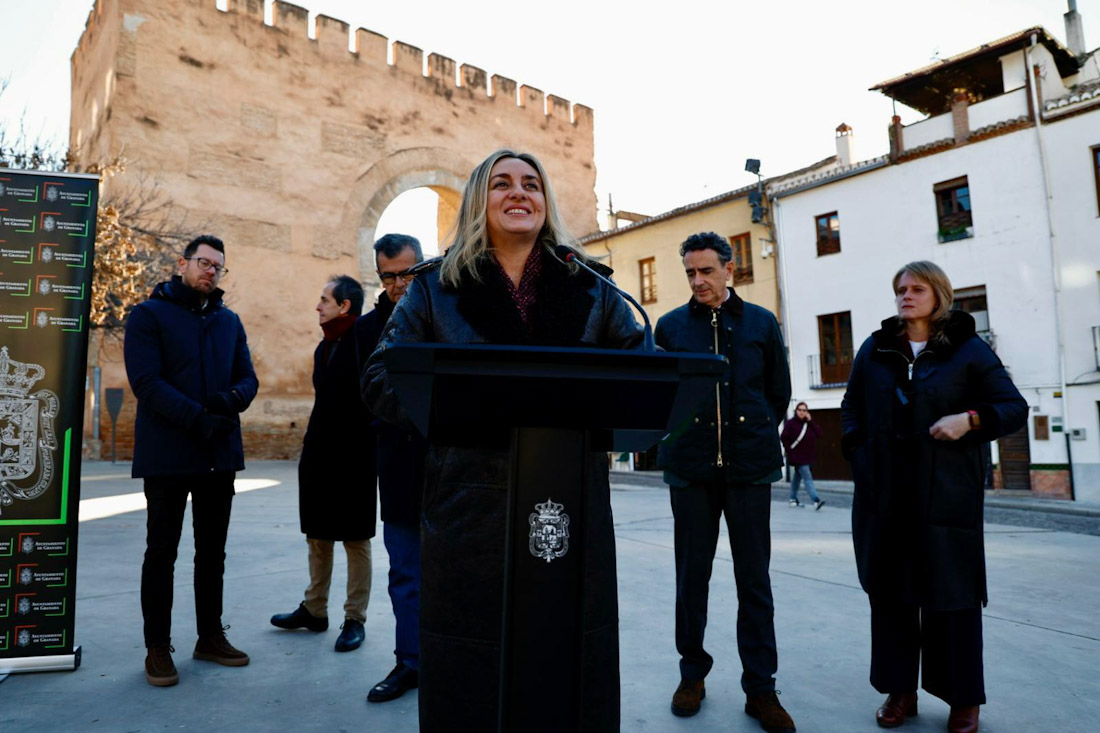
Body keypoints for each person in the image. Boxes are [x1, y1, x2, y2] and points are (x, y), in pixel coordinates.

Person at [363, 149, 643, 731]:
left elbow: (644, 370)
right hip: (470, 508)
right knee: (472, 665)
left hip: (568, 506)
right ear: (478, 202)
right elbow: (379, 376)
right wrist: (458, 406)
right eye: (502, 184)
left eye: (532, 184)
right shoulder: (435, 289)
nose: (519, 194)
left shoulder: (591, 287)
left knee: (564, 659)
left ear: (546, 202)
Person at [841, 261, 1026, 733]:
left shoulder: (967, 349)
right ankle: (899, 691)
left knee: (953, 598)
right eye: (900, 289)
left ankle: (964, 699)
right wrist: (861, 459)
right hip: (885, 499)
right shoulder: (876, 348)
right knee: (891, 598)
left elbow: (1013, 407)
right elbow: (851, 409)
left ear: (938, 294)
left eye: (916, 288)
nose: (905, 295)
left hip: (946, 499)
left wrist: (971, 419)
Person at [654, 231, 795, 732]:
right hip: (690, 472)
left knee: (754, 581)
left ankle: (761, 689)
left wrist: (752, 436)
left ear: (729, 270)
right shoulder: (669, 328)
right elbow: (661, 398)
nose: (698, 281)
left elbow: (778, 392)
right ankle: (692, 673)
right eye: (690, 272)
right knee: (692, 579)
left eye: (707, 270)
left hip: (750, 471)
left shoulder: (761, 323)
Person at [124, 234, 258, 687]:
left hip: (218, 455)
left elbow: (248, 378)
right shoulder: (147, 316)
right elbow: (146, 382)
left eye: (218, 266)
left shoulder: (229, 321)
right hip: (167, 455)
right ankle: (157, 648)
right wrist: (197, 417)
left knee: (212, 554)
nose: (211, 271)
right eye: (203, 262)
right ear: (182, 264)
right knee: (161, 552)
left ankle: (209, 636)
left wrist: (228, 400)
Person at [270, 275, 375, 653]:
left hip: (356, 455)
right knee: (317, 535)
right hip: (319, 454)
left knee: (355, 539)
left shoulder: (365, 342)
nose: (317, 306)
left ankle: (354, 618)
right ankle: (315, 610)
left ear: (344, 306)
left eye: (324, 300)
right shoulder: (323, 348)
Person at [354, 234, 429, 702]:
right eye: (389, 276)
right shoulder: (366, 331)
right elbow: (365, 401)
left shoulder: (446, 314)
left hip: (450, 469)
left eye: (408, 272)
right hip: (399, 468)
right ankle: (410, 663)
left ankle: (454, 659)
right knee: (405, 573)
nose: (400, 284)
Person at [781, 402, 825, 510]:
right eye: (799, 410)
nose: (802, 412)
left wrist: (811, 421)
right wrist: (789, 451)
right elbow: (783, 437)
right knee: (807, 478)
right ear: (796, 411)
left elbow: (819, 434)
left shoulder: (809, 424)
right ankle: (816, 500)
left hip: (808, 457)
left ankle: (792, 499)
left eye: (804, 410)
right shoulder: (790, 423)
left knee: (797, 478)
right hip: (797, 458)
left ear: (807, 412)